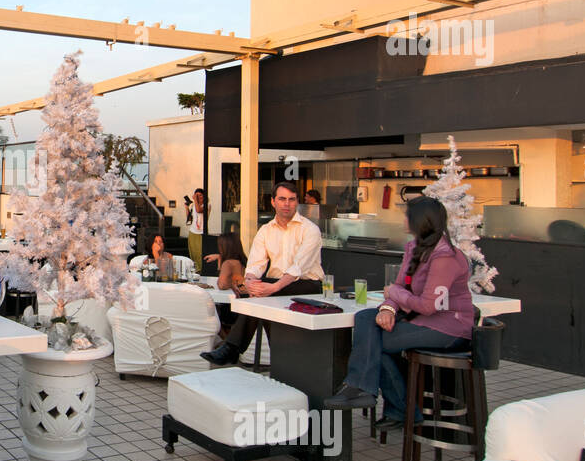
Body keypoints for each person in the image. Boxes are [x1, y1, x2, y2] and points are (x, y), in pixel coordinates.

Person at [325, 196, 474, 429]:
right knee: (365, 319)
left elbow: (427, 305)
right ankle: (387, 403)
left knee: (373, 341)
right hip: (422, 322)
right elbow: (400, 288)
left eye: (407, 215)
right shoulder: (413, 248)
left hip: (449, 328)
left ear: (420, 221)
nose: (403, 218)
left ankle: (367, 390)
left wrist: (393, 294)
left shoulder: (445, 257)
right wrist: (387, 309)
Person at [204, 181, 323, 365]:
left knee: (261, 298)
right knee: (255, 293)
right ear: (273, 201)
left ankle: (232, 348)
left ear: (297, 202)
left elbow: (298, 267)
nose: (287, 204)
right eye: (282, 199)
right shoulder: (266, 230)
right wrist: (251, 282)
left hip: (307, 285)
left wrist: (271, 288)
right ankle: (270, 358)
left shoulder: (310, 230)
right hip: (276, 284)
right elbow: (255, 264)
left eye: (291, 199)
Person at [184, 188, 206, 268]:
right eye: (196, 195)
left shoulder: (207, 205)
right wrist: (186, 208)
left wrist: (195, 200)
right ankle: (195, 269)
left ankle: (201, 270)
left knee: (200, 252)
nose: (198, 197)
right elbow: (189, 219)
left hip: (201, 232)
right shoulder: (193, 205)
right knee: (193, 253)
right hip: (193, 232)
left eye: (200, 195)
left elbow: (199, 210)